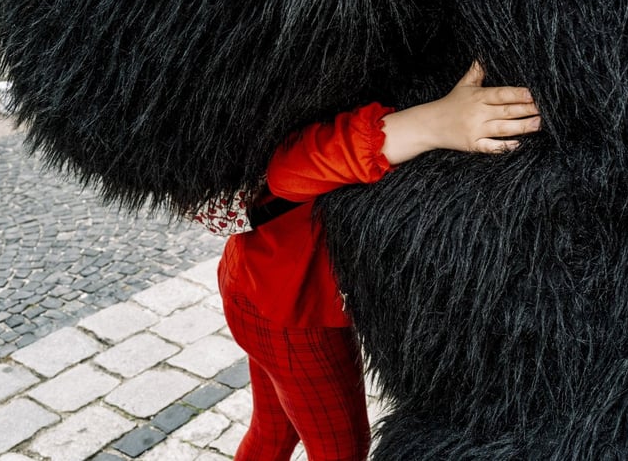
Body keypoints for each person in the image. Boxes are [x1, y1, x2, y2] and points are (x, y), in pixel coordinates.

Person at [196, 61, 541, 461]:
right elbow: (301, 163)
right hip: (295, 312)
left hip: (253, 283)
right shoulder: (286, 131)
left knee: (272, 429)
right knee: (340, 450)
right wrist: (433, 123)